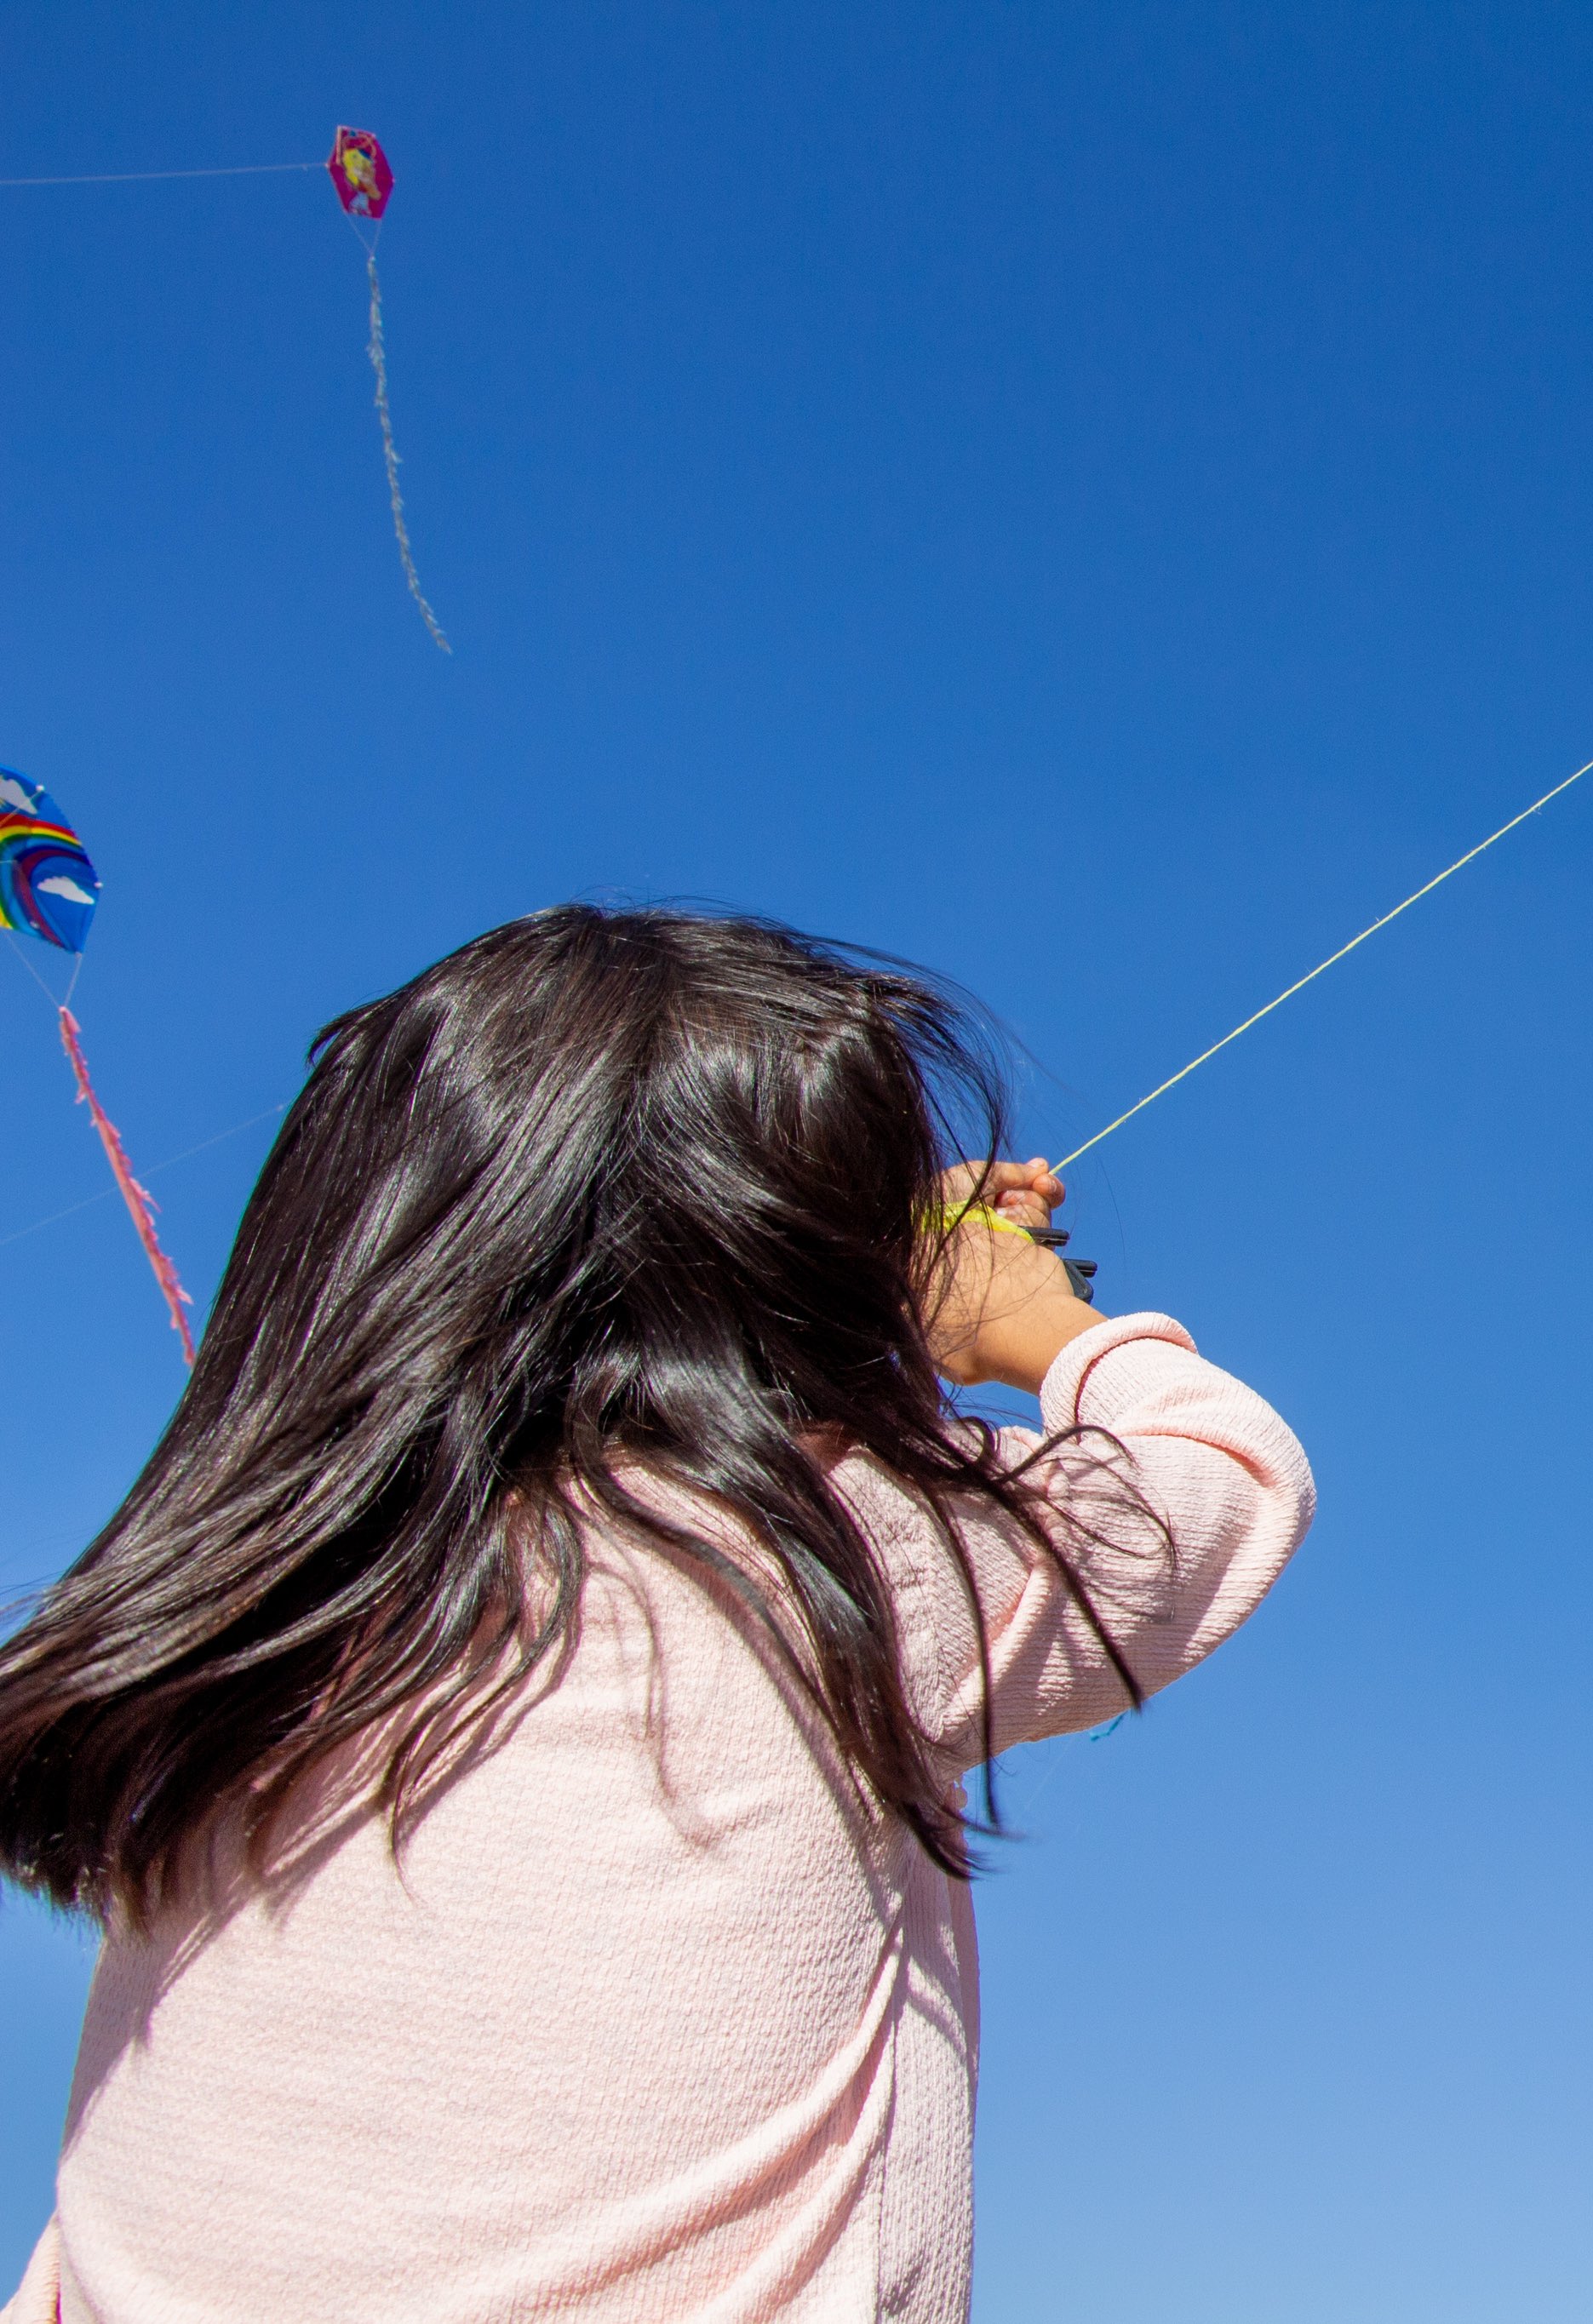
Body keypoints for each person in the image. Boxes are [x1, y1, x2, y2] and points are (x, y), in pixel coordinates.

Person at [0, 906, 1315, 2320]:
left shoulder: (252, 1626)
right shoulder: (834, 1557)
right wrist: (1025, 1321)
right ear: (779, 1273)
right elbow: (1216, 1480)